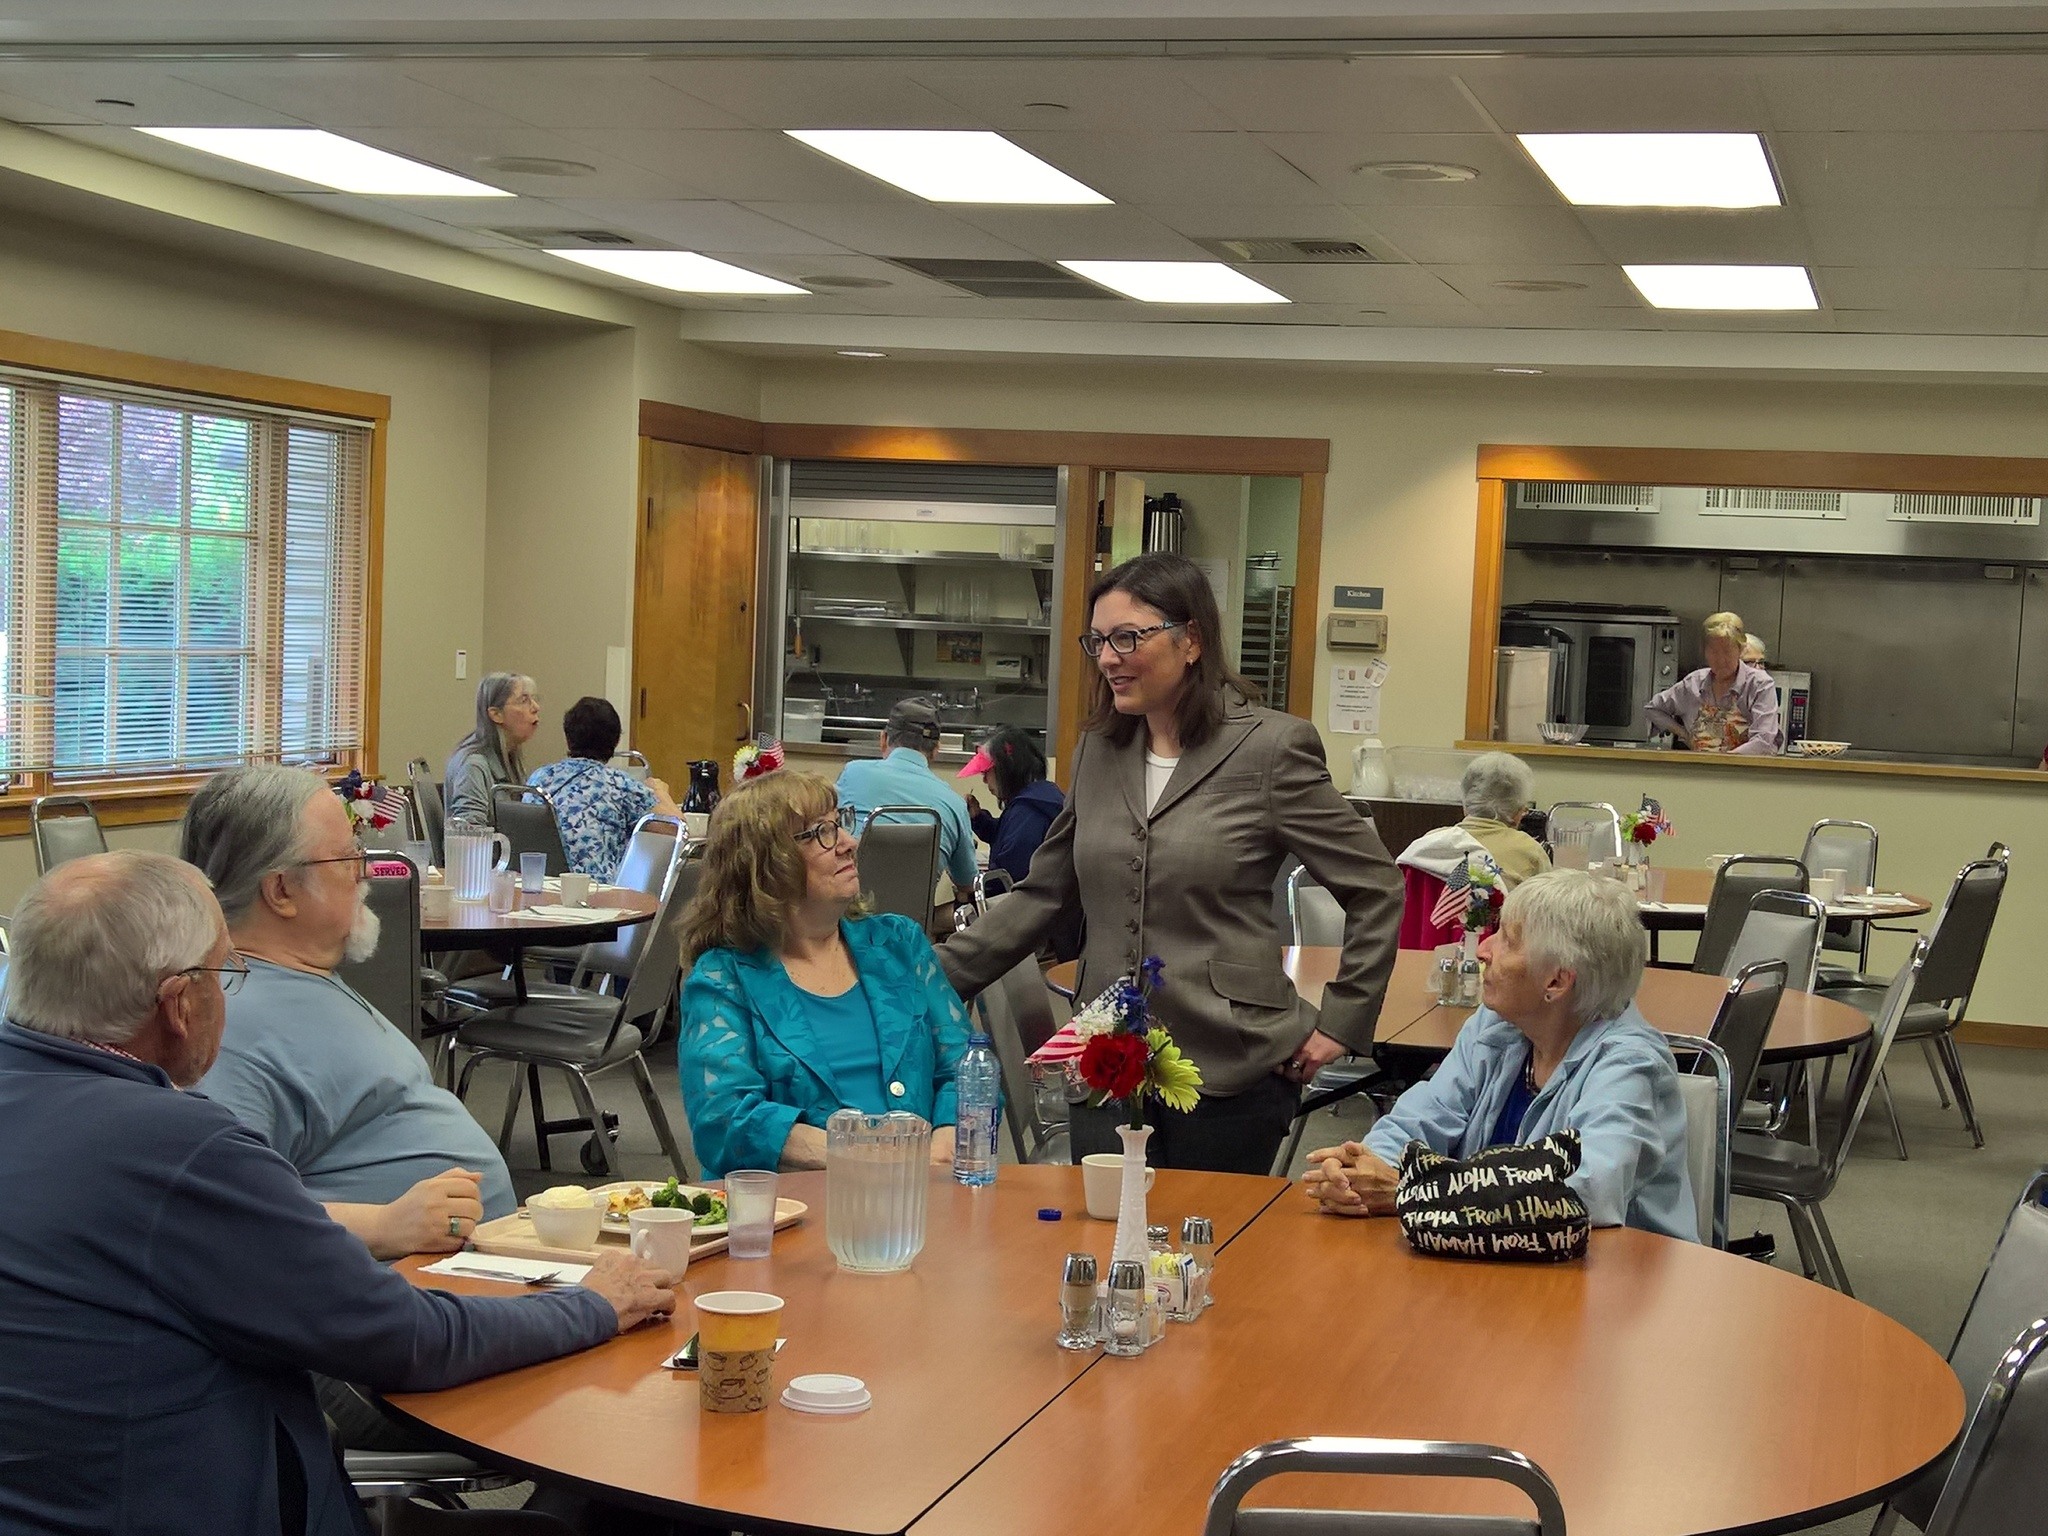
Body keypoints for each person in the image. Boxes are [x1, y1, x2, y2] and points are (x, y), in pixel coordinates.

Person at [0, 850, 675, 1536]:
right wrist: (593, 1306)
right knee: (642, 1494)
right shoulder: (178, 1150)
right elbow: (406, 1339)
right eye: (225, 973)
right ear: (180, 1004)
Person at [940, 551, 1403, 1175]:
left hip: (1233, 1065)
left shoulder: (1270, 748)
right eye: (1099, 641)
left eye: (1128, 637)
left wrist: (1343, 1021)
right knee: (1108, 1248)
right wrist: (921, 976)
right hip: (1106, 1060)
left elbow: (1375, 885)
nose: (1108, 657)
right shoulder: (1100, 751)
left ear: (1191, 642)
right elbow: (1044, 895)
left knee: (1202, 1258)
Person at [183, 764, 519, 1247]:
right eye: (346, 858)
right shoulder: (231, 1022)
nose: (365, 873)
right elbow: (212, 1211)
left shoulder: (305, 976)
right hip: (403, 1294)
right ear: (281, 891)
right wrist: (384, 1227)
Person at [1303, 870, 1696, 1239]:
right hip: (1498, 1264)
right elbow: (1420, 1118)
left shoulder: (1628, 1064)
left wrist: (1414, 1192)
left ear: (1556, 981)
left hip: (1616, 1288)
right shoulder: (1498, 1025)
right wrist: (1361, 1169)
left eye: (1507, 939)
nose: (1484, 949)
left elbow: (1587, 1190)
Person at [677, 770, 969, 1178]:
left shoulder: (898, 943)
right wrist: (871, 1156)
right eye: (820, 833)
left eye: (841, 824)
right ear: (765, 865)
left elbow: (965, 1067)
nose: (849, 843)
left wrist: (946, 1136)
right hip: (794, 1212)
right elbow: (723, 1120)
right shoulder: (724, 978)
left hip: (920, 1199)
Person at [835, 696, 979, 894]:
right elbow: (968, 884)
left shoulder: (852, 774)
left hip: (846, 918)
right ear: (936, 750)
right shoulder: (954, 804)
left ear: (883, 739)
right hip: (912, 922)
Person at [528, 695, 681, 879]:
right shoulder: (620, 784)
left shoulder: (539, 778)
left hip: (539, 885)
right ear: (615, 741)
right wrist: (659, 790)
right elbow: (677, 829)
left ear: (568, 737)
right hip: (596, 892)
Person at [1398, 752, 1550, 890]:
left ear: (1465, 805)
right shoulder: (1530, 850)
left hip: (1427, 921)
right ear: (1518, 813)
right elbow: (1545, 910)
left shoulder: (1430, 842)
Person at [1644, 611, 1781, 755]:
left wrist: (1723, 762)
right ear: (1704, 651)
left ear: (1740, 650)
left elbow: (1763, 740)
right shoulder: (1694, 683)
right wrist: (1684, 734)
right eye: (1714, 652)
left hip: (1744, 773)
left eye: (1727, 652)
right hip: (1701, 771)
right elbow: (1653, 709)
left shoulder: (1759, 684)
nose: (1721, 660)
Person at [958, 725, 1065, 884]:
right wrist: (979, 818)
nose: (985, 780)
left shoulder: (1028, 812)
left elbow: (1008, 877)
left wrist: (973, 888)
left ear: (1006, 769)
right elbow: (1006, 836)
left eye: (987, 772)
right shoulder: (1034, 800)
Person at [445, 670, 540, 822]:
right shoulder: (473, 766)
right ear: (496, 714)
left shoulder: (510, 757)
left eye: (534, 699)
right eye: (523, 700)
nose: (535, 707)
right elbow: (469, 832)